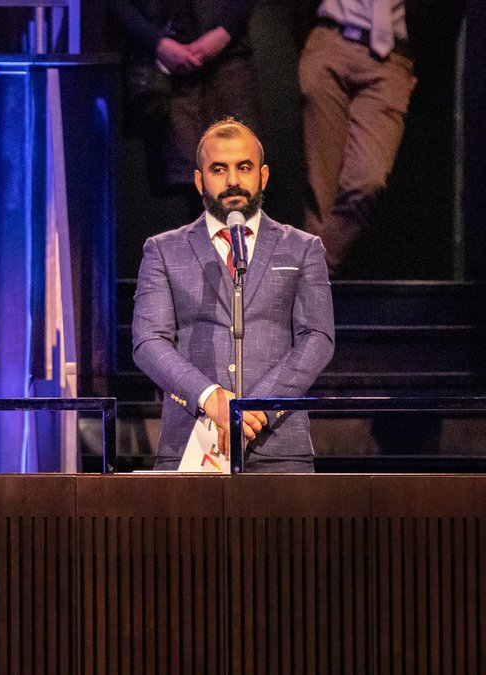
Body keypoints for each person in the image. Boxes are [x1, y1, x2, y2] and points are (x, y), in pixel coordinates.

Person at [132, 118, 335, 472]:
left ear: (264, 175)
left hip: (280, 452)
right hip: (191, 450)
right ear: (199, 180)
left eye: (244, 167)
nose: (233, 181)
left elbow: (317, 338)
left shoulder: (303, 249)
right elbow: (148, 342)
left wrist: (255, 407)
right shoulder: (163, 251)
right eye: (218, 169)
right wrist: (211, 399)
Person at [298, 0, 416, 275]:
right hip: (330, 42)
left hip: (391, 61)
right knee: (320, 190)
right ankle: (311, 299)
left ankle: (306, 280)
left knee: (366, 180)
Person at [109, 0, 261, 205]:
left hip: (228, 57)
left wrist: (224, 32)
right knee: (191, 182)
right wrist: (157, 43)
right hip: (166, 64)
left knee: (237, 179)